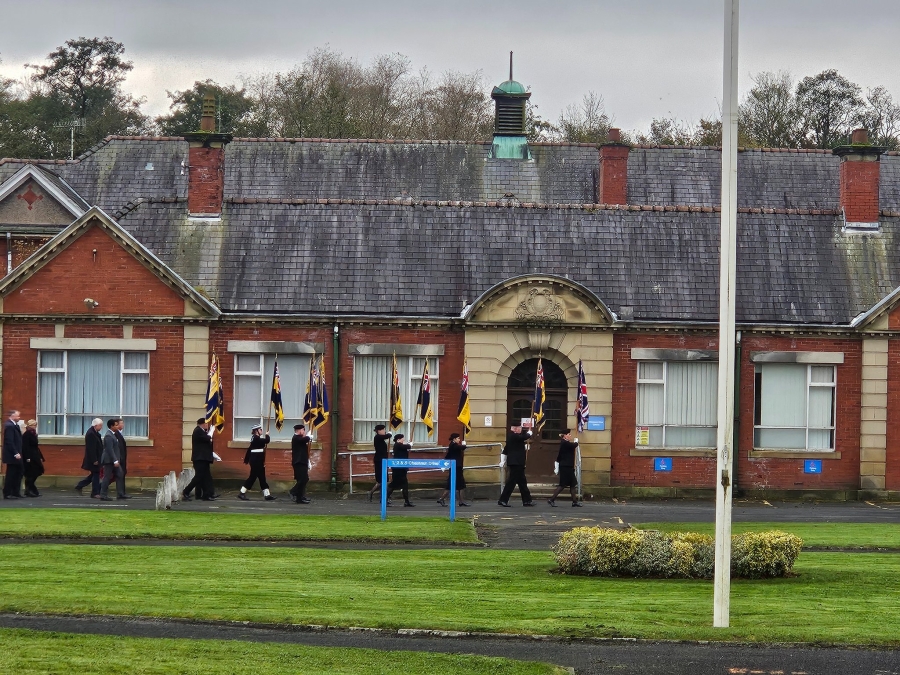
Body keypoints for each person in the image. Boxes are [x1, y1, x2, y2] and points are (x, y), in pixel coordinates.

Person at [498, 424, 534, 507]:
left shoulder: (515, 438)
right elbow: (522, 438)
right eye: (520, 428)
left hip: (519, 463)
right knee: (511, 482)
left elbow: (506, 450)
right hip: (515, 463)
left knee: (522, 482)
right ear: (515, 429)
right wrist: (529, 434)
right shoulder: (513, 436)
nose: (521, 429)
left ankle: (527, 500)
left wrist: (524, 447)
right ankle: (503, 500)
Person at [183, 418, 217, 501]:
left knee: (207, 477)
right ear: (202, 424)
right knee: (199, 476)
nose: (207, 425)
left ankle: (207, 494)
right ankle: (186, 491)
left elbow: (205, 445)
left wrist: (213, 455)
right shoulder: (198, 431)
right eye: (206, 423)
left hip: (204, 458)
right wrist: (212, 431)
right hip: (199, 458)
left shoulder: (202, 431)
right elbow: (207, 439)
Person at [239, 424, 275, 501]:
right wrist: (267, 435)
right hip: (256, 462)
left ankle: (267, 495)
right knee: (252, 477)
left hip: (258, 461)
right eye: (260, 429)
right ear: (256, 431)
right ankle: (242, 492)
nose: (261, 431)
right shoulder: (256, 438)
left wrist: (247, 459)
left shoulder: (255, 438)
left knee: (262, 478)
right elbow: (267, 441)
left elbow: (252, 449)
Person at [548, 429, 582, 507]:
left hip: (568, 466)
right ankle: (551, 499)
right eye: (569, 434)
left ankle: (574, 501)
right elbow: (573, 446)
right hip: (565, 467)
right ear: (565, 436)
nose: (570, 435)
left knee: (572, 484)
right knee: (562, 485)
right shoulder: (564, 443)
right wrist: (576, 442)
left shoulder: (565, 443)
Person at [99, 418, 128, 501]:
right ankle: (103, 494)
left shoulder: (113, 434)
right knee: (107, 477)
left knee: (120, 474)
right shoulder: (108, 435)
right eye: (115, 425)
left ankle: (120, 494)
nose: (117, 426)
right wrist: (115, 460)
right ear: (111, 426)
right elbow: (109, 449)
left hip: (114, 460)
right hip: (109, 460)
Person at [438, 433, 469, 507]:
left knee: (460, 485)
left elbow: (448, 455)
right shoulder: (453, 445)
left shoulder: (453, 445)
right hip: (455, 467)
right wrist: (464, 445)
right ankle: (441, 499)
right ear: (454, 439)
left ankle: (461, 501)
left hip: (457, 467)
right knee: (452, 484)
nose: (459, 439)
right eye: (458, 438)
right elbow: (461, 448)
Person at [75, 418, 104, 498]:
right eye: (100, 425)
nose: (101, 427)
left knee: (94, 474)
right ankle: (95, 492)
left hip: (96, 458)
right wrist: (94, 460)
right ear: (95, 425)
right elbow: (91, 448)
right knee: (96, 475)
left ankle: (80, 485)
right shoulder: (91, 434)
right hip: (93, 459)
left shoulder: (95, 433)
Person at [386, 433, 415, 507]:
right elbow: (406, 447)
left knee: (404, 485)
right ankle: (384, 499)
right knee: (394, 484)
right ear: (398, 439)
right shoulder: (397, 445)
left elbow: (405, 448)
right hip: (398, 469)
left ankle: (406, 501)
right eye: (402, 438)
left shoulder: (400, 445)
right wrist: (409, 445)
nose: (403, 440)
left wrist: (408, 446)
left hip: (402, 468)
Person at [366, 424, 391, 503]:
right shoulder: (377, 437)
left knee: (384, 480)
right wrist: (389, 434)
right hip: (379, 461)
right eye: (383, 430)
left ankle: (380, 497)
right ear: (379, 431)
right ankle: (382, 498)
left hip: (384, 460)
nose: (385, 431)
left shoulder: (381, 439)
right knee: (381, 480)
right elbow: (386, 436)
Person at [2, 410, 23, 499]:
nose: (19, 418)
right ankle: (8, 493)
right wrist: (15, 453)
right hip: (12, 455)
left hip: (17, 453)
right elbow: (9, 441)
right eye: (18, 416)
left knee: (18, 473)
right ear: (12, 416)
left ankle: (15, 492)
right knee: (11, 474)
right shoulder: (9, 426)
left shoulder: (14, 425)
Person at [21, 419, 44, 497]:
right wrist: (27, 458)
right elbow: (25, 447)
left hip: (35, 455)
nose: (35, 426)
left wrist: (41, 456)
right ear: (30, 426)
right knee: (31, 474)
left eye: (36, 425)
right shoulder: (27, 434)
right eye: (34, 425)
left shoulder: (34, 434)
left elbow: (36, 447)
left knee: (36, 472)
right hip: (30, 457)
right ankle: (29, 490)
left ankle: (31, 489)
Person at [289, 424, 311, 504]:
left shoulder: (300, 438)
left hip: (302, 461)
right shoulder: (296, 438)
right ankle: (293, 491)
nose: (304, 431)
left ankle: (300, 497)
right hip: (299, 462)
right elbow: (304, 440)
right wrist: (308, 437)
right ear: (300, 430)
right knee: (303, 479)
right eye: (303, 430)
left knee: (303, 479)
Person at [114, 418, 129, 497]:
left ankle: (122, 492)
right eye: (121, 423)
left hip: (122, 459)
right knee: (119, 475)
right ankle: (120, 493)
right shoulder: (116, 434)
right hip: (118, 459)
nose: (123, 425)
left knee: (121, 475)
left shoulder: (120, 434)